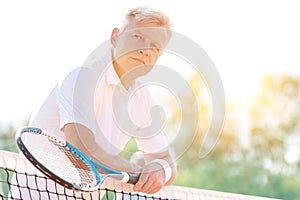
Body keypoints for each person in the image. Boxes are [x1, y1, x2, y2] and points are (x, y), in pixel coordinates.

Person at [10, 6, 176, 199]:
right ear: (115, 37)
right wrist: (136, 171)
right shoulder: (82, 77)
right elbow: (83, 154)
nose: (145, 50)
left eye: (155, 47)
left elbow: (166, 160)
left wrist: (160, 170)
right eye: (137, 37)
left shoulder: (143, 98)